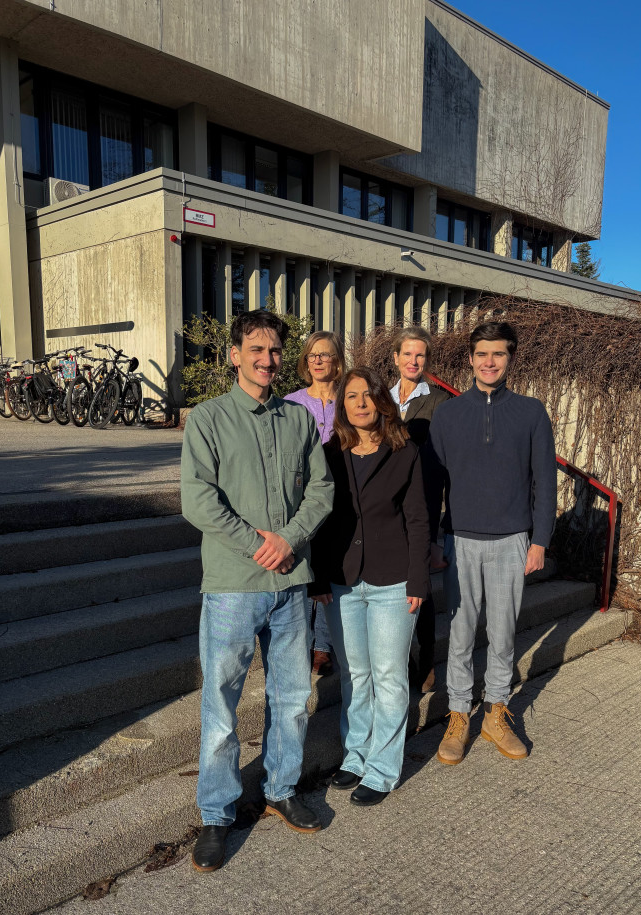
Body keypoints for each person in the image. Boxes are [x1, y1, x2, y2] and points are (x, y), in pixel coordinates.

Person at [181, 309, 334, 872]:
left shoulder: (298, 420)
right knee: (221, 706)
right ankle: (217, 814)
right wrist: (256, 543)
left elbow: (322, 489)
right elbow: (198, 500)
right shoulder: (209, 420)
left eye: (274, 351)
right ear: (234, 354)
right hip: (232, 586)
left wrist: (289, 539)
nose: (266, 360)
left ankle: (281, 789)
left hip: (291, 582)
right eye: (256, 349)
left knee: (292, 698)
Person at [426, 321, 556, 766]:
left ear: (510, 359)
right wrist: (432, 539)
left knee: (502, 635)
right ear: (470, 359)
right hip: (459, 539)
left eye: (498, 354)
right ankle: (459, 714)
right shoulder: (447, 415)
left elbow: (545, 481)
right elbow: (433, 484)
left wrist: (539, 540)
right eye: (482, 353)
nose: (489, 361)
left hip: (511, 541)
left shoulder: (531, 412)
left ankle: (496, 712)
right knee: (460, 636)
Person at [310, 367, 430, 807]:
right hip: (342, 581)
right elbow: (319, 520)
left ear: (382, 400)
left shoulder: (405, 452)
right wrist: (318, 576)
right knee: (356, 674)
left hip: (393, 582)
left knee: (390, 677)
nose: (360, 403)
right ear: (342, 405)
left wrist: (419, 578)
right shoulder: (328, 453)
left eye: (367, 395)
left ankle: (382, 770)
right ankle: (355, 756)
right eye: (351, 396)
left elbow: (419, 520)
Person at [389, 326, 451, 692]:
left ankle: (425, 660)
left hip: (421, 504)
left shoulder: (440, 402)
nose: (413, 361)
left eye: (420, 355)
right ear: (395, 357)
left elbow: (442, 464)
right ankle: (394, 660)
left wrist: (438, 532)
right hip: (384, 506)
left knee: (420, 588)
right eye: (407, 354)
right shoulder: (381, 396)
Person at [284, 331, 345, 676]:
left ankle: (322, 646)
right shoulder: (291, 403)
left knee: (330, 569)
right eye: (312, 356)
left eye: (325, 355)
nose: (318, 360)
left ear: (337, 361)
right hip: (302, 498)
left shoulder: (349, 400)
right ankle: (299, 642)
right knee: (305, 569)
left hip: (342, 496)